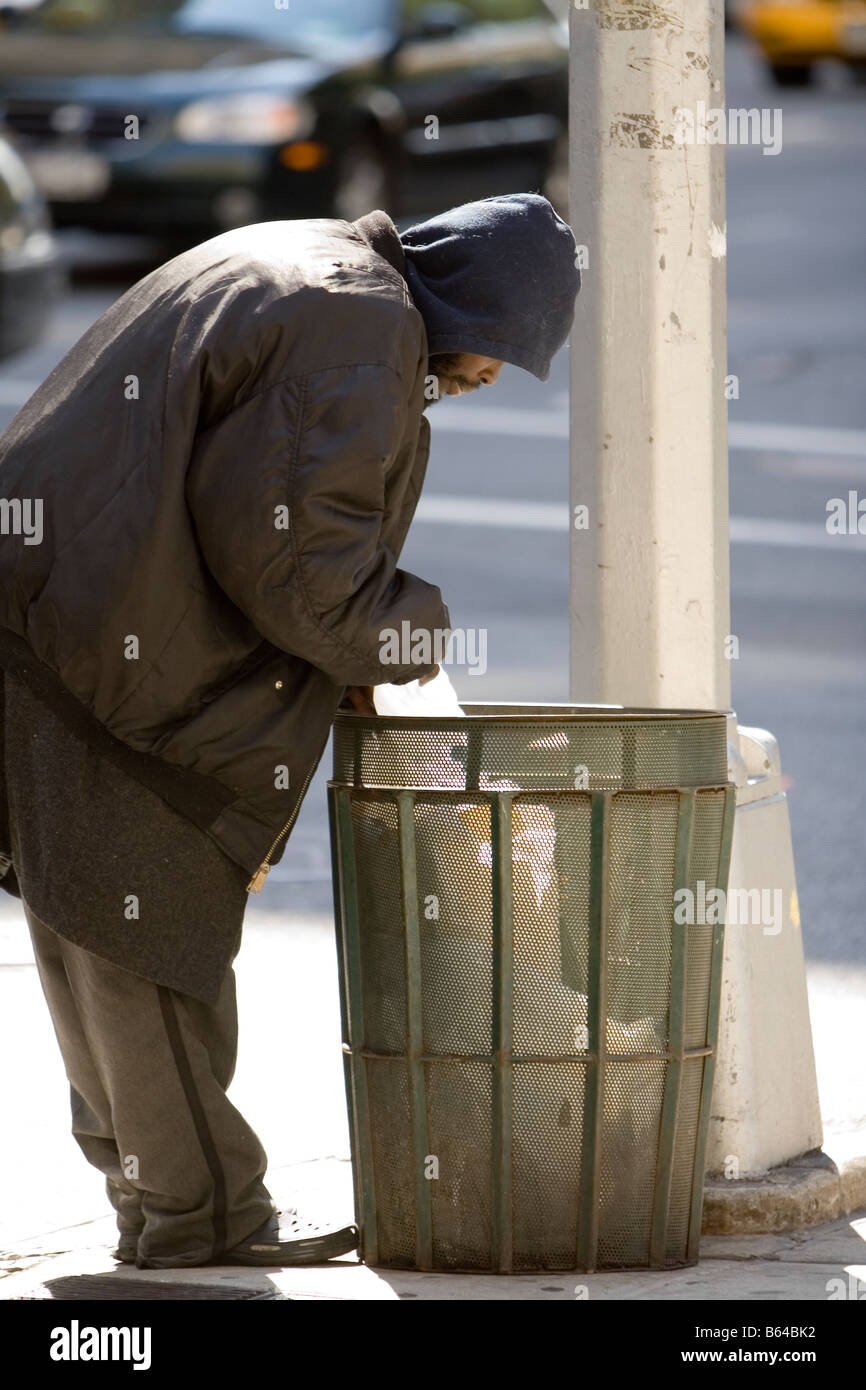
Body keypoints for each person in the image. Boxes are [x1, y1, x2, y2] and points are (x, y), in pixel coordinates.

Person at [0, 193, 580, 1270]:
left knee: (89, 930)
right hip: (123, 656)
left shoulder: (313, 269)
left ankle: (157, 1205)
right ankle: (204, 1220)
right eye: (500, 350)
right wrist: (410, 647)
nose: (494, 375)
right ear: (464, 303)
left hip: (51, 618)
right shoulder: (362, 328)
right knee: (150, 944)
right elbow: (298, 571)